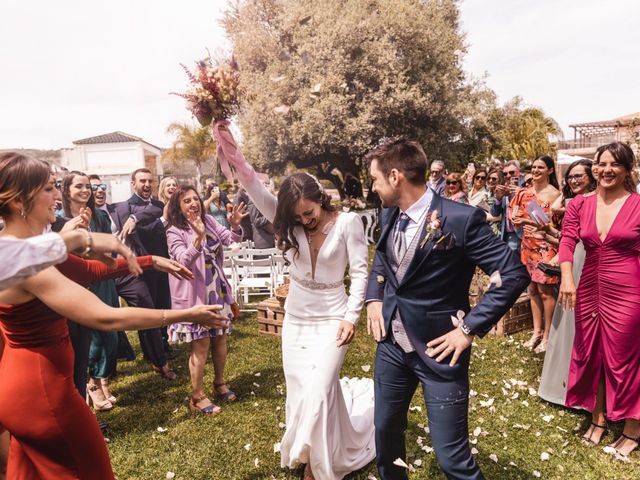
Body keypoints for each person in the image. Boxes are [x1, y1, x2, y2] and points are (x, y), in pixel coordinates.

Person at [0, 152, 229, 480]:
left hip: (16, 386)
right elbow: (107, 318)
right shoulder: (31, 266)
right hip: (45, 393)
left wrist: (149, 260)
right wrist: (184, 314)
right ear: (21, 199)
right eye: (49, 189)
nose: (56, 197)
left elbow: (89, 268)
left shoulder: (22, 249)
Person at [213, 121, 374, 480]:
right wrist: (225, 139)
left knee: (320, 389)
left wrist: (351, 317)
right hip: (297, 319)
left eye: (309, 212)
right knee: (302, 388)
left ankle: (317, 469)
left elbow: (361, 274)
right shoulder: (288, 220)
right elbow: (251, 183)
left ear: (321, 198)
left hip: (334, 317)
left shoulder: (349, 224)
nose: (305, 220)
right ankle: (314, 449)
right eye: (298, 216)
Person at [365, 138, 529, 480]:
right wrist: (374, 298)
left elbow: (513, 273)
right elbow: (382, 256)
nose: (373, 187)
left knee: (452, 457)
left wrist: (468, 329)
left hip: (441, 351)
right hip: (392, 347)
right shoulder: (388, 212)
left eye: (376, 179)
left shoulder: (461, 219)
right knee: (385, 433)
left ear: (395, 176)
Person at [559, 142, 640, 461]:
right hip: (589, 284)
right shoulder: (579, 204)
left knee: (625, 358)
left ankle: (632, 430)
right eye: (600, 163)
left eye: (614, 164)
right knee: (593, 354)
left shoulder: (637, 204)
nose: (605, 169)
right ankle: (598, 418)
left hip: (629, 287)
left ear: (626, 170)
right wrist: (567, 278)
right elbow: (567, 240)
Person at [166, 185, 247, 415]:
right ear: (178, 208)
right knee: (201, 344)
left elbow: (230, 239)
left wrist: (235, 225)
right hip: (195, 295)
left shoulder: (209, 220)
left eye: (195, 199)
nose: (193, 204)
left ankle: (219, 383)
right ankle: (197, 395)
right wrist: (198, 237)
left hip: (217, 289)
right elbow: (183, 261)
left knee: (220, 338)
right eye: (186, 201)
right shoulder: (174, 230)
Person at [538, 159, 596, 405]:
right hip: (572, 264)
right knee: (565, 323)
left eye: (578, 176)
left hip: (590, 264)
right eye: (570, 176)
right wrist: (549, 233)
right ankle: (558, 387)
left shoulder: (596, 202)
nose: (573, 180)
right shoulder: (575, 202)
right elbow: (568, 238)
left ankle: (582, 389)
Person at [110, 168, 176, 379]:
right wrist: (134, 218)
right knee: (148, 313)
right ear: (133, 183)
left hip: (162, 265)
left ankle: (162, 345)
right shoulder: (124, 208)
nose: (147, 185)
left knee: (163, 305)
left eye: (150, 181)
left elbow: (159, 211)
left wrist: (136, 218)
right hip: (142, 266)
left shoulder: (156, 206)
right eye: (142, 181)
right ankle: (153, 354)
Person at [510, 155, 561, 353]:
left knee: (545, 292)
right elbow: (513, 215)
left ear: (549, 170)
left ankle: (548, 336)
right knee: (532, 290)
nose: (536, 170)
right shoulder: (524, 193)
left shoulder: (556, 195)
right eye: (534, 167)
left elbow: (556, 226)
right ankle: (536, 332)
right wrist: (514, 218)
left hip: (546, 247)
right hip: (527, 246)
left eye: (541, 167)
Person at [491, 160, 523, 252]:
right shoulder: (502, 189)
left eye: (512, 172)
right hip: (508, 236)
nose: (508, 175)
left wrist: (521, 194)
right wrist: (498, 199)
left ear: (519, 172)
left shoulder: (526, 187)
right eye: (505, 174)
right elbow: (494, 213)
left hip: (525, 235)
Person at [485, 169, 504, 235]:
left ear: (500, 180)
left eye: (494, 179)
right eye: (489, 178)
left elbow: (502, 215)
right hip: (486, 229)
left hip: (498, 231)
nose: (490, 180)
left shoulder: (504, 195)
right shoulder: (487, 194)